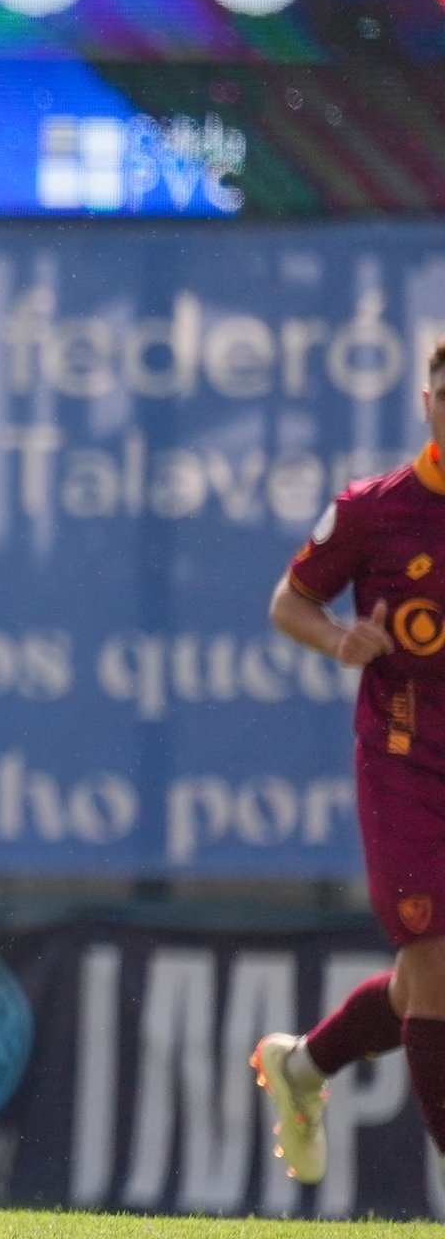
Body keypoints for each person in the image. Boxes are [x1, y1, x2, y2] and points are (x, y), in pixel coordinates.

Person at [253, 340, 445, 1185]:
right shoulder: (376, 510)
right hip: (406, 766)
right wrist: (340, 639)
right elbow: (291, 600)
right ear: (427, 400)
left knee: (419, 984)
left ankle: (303, 1067)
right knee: (438, 968)